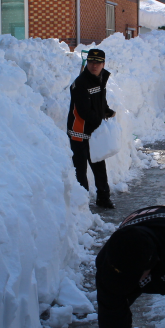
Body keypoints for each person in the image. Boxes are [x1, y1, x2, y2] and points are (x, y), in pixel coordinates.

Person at [67, 48, 117, 209]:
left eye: (97, 63)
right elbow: (83, 111)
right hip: (79, 132)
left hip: (94, 132)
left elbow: (99, 100)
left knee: (99, 166)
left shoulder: (101, 78)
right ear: (87, 63)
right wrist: (100, 120)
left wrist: (106, 110)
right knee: (80, 170)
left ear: (103, 64)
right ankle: (82, 205)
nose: (94, 66)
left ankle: (103, 198)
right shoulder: (80, 83)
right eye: (91, 62)